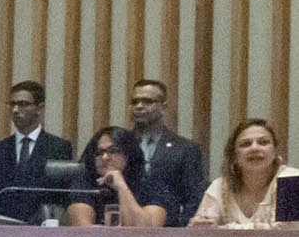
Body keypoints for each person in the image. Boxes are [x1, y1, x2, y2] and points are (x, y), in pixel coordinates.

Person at [0, 81, 75, 222]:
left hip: (44, 228)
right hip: (5, 228)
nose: (15, 110)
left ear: (39, 109)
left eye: (23, 104)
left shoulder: (59, 147)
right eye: (12, 104)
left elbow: (62, 198)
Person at [126, 79, 207, 225]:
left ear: (163, 107)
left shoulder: (185, 149)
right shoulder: (117, 146)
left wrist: (182, 233)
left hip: (169, 229)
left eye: (147, 101)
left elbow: (194, 199)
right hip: (123, 226)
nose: (139, 106)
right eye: (135, 102)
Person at [189, 118, 292, 229]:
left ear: (275, 151)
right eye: (245, 144)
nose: (254, 148)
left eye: (263, 142)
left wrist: (221, 229)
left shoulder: (290, 180)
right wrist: (200, 225)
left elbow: (287, 230)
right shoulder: (219, 186)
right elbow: (202, 231)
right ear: (234, 155)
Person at [67, 125, 173, 227]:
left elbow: (143, 232)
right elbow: (83, 231)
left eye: (113, 151)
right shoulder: (84, 184)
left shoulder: (151, 185)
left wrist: (121, 187)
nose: (104, 157)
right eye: (99, 152)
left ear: (129, 154)